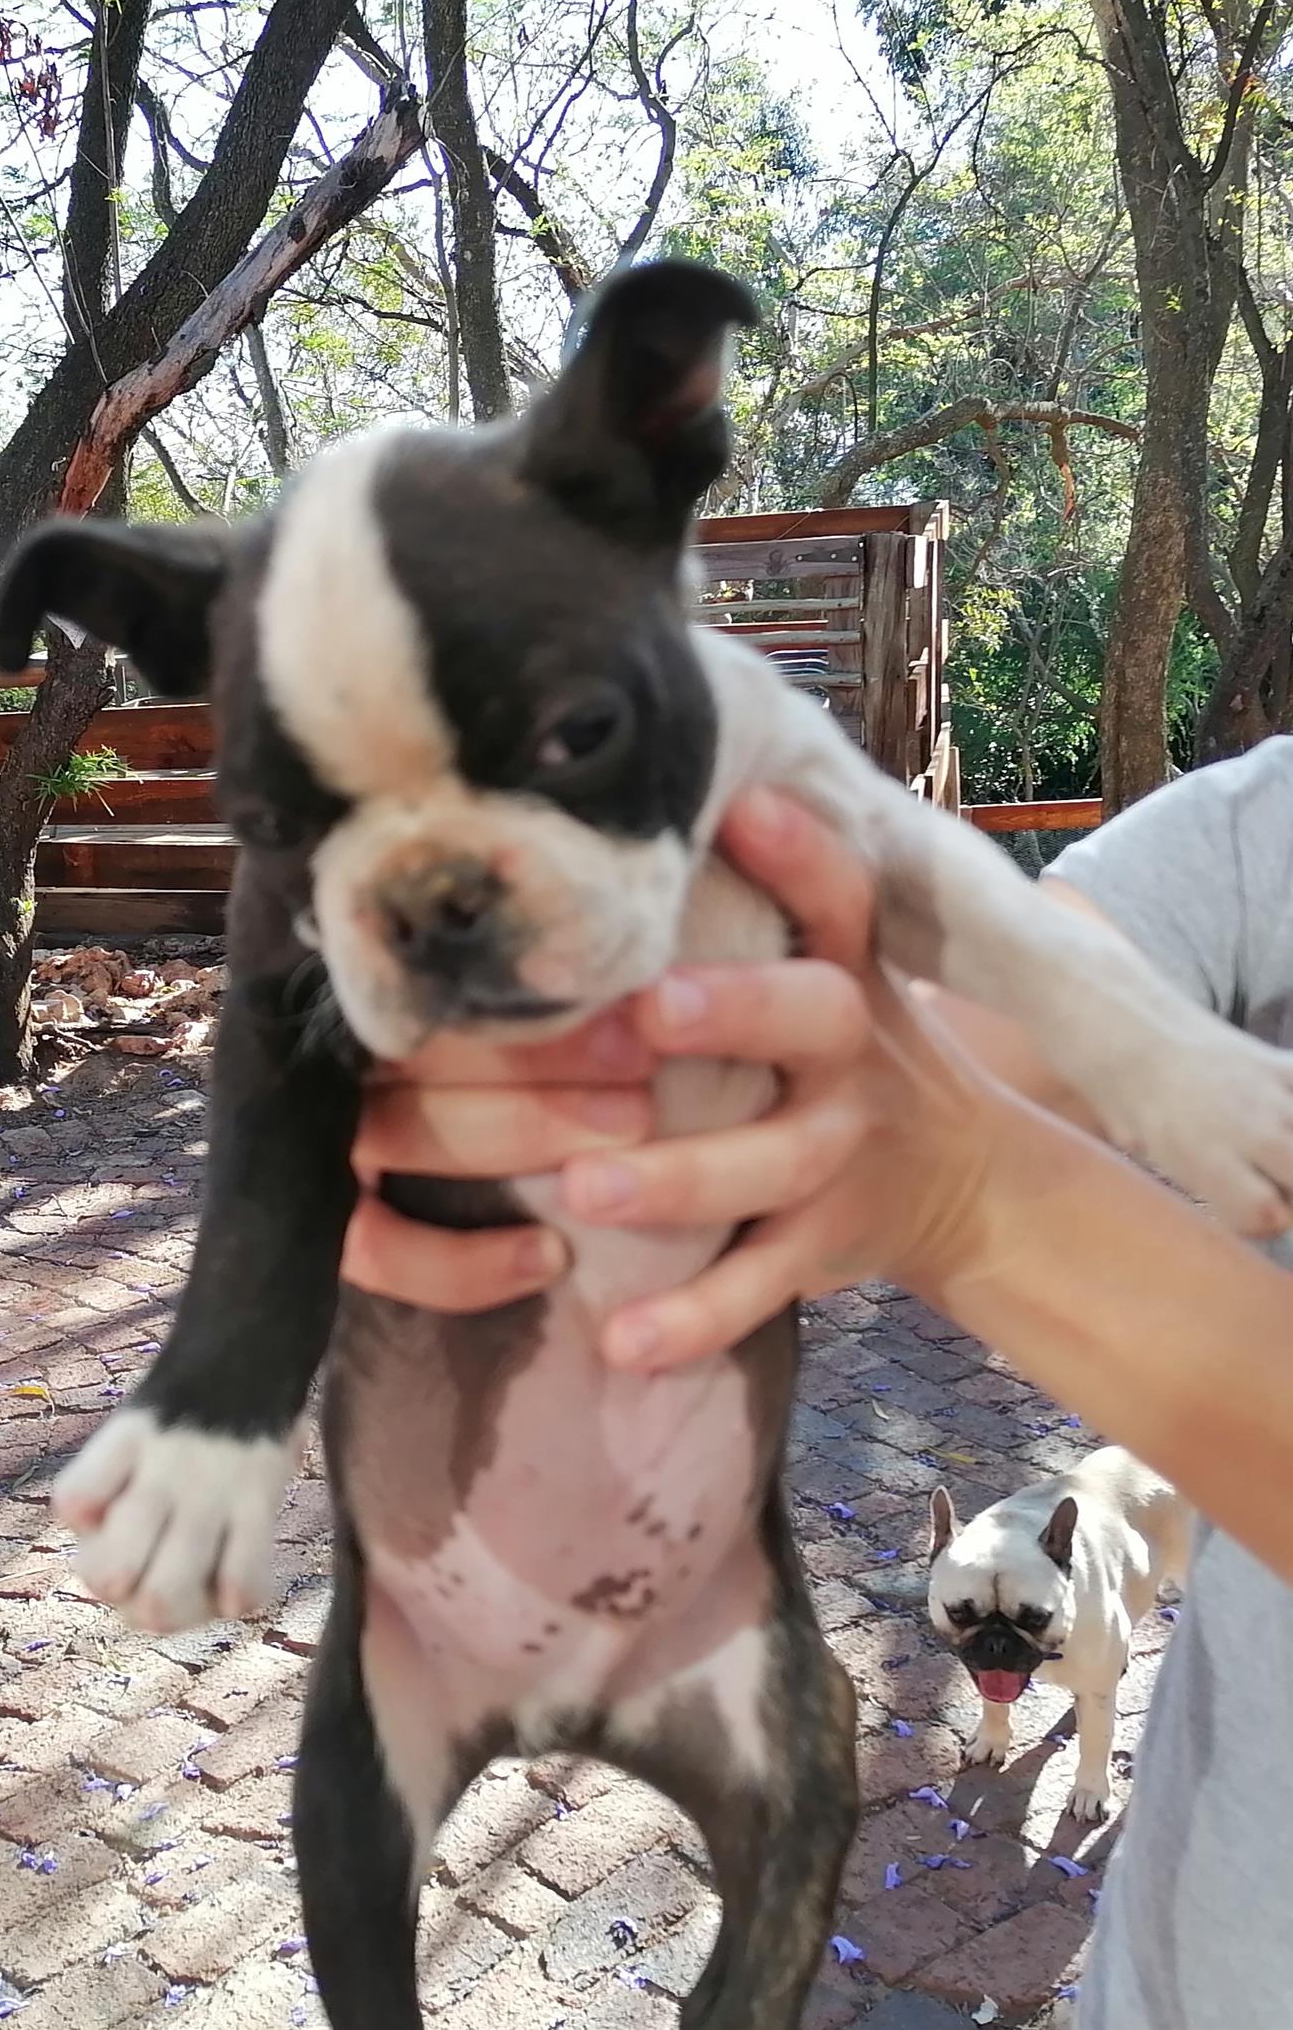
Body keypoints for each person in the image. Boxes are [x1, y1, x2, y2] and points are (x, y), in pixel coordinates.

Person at [342, 748, 1293, 2030]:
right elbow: (952, 1048)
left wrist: (959, 1191)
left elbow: (932, 1136)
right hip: (1178, 1949)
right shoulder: (1256, 826)